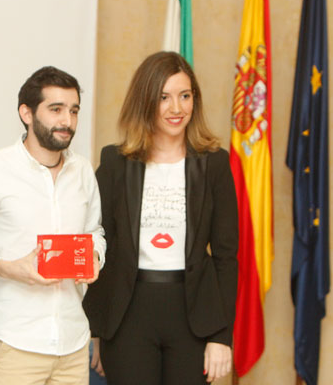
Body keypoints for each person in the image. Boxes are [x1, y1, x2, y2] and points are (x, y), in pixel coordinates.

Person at [83, 51, 238, 384]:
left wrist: (222, 336)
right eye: (164, 97)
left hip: (194, 318)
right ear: (145, 100)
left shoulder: (214, 164)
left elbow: (226, 257)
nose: (176, 108)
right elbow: (101, 244)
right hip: (128, 317)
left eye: (185, 96)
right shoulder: (115, 163)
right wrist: (98, 329)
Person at [0, 66, 106, 385]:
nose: (67, 121)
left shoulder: (83, 170)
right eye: (56, 109)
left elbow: (95, 233)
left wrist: (94, 257)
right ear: (26, 113)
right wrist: (9, 268)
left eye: (74, 111)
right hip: (12, 345)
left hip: (72, 346)